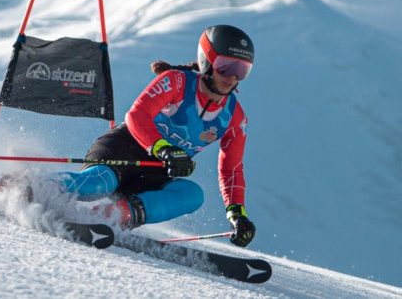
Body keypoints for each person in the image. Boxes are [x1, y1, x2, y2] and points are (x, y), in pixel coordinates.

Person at [51, 24, 257, 247]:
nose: (233, 78)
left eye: (242, 70)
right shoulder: (177, 82)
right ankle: (29, 186)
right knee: (96, 185)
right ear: (206, 61)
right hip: (123, 150)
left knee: (192, 194)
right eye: (225, 67)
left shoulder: (234, 117)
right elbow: (137, 115)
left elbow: (232, 169)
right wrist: (163, 148)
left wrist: (237, 214)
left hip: (154, 172)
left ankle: (108, 217)